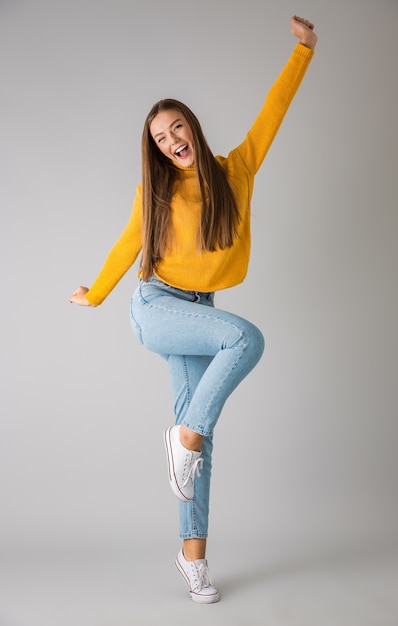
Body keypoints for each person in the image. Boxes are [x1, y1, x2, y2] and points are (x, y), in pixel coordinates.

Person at [69, 15, 318, 604]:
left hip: (200, 311)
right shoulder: (153, 194)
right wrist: (98, 292)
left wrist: (303, 52)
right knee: (244, 344)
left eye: (176, 128)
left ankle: (192, 559)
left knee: (201, 448)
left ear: (192, 127)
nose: (170, 140)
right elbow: (127, 244)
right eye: (160, 137)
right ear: (155, 147)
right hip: (156, 307)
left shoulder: (237, 171)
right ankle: (184, 435)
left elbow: (273, 111)